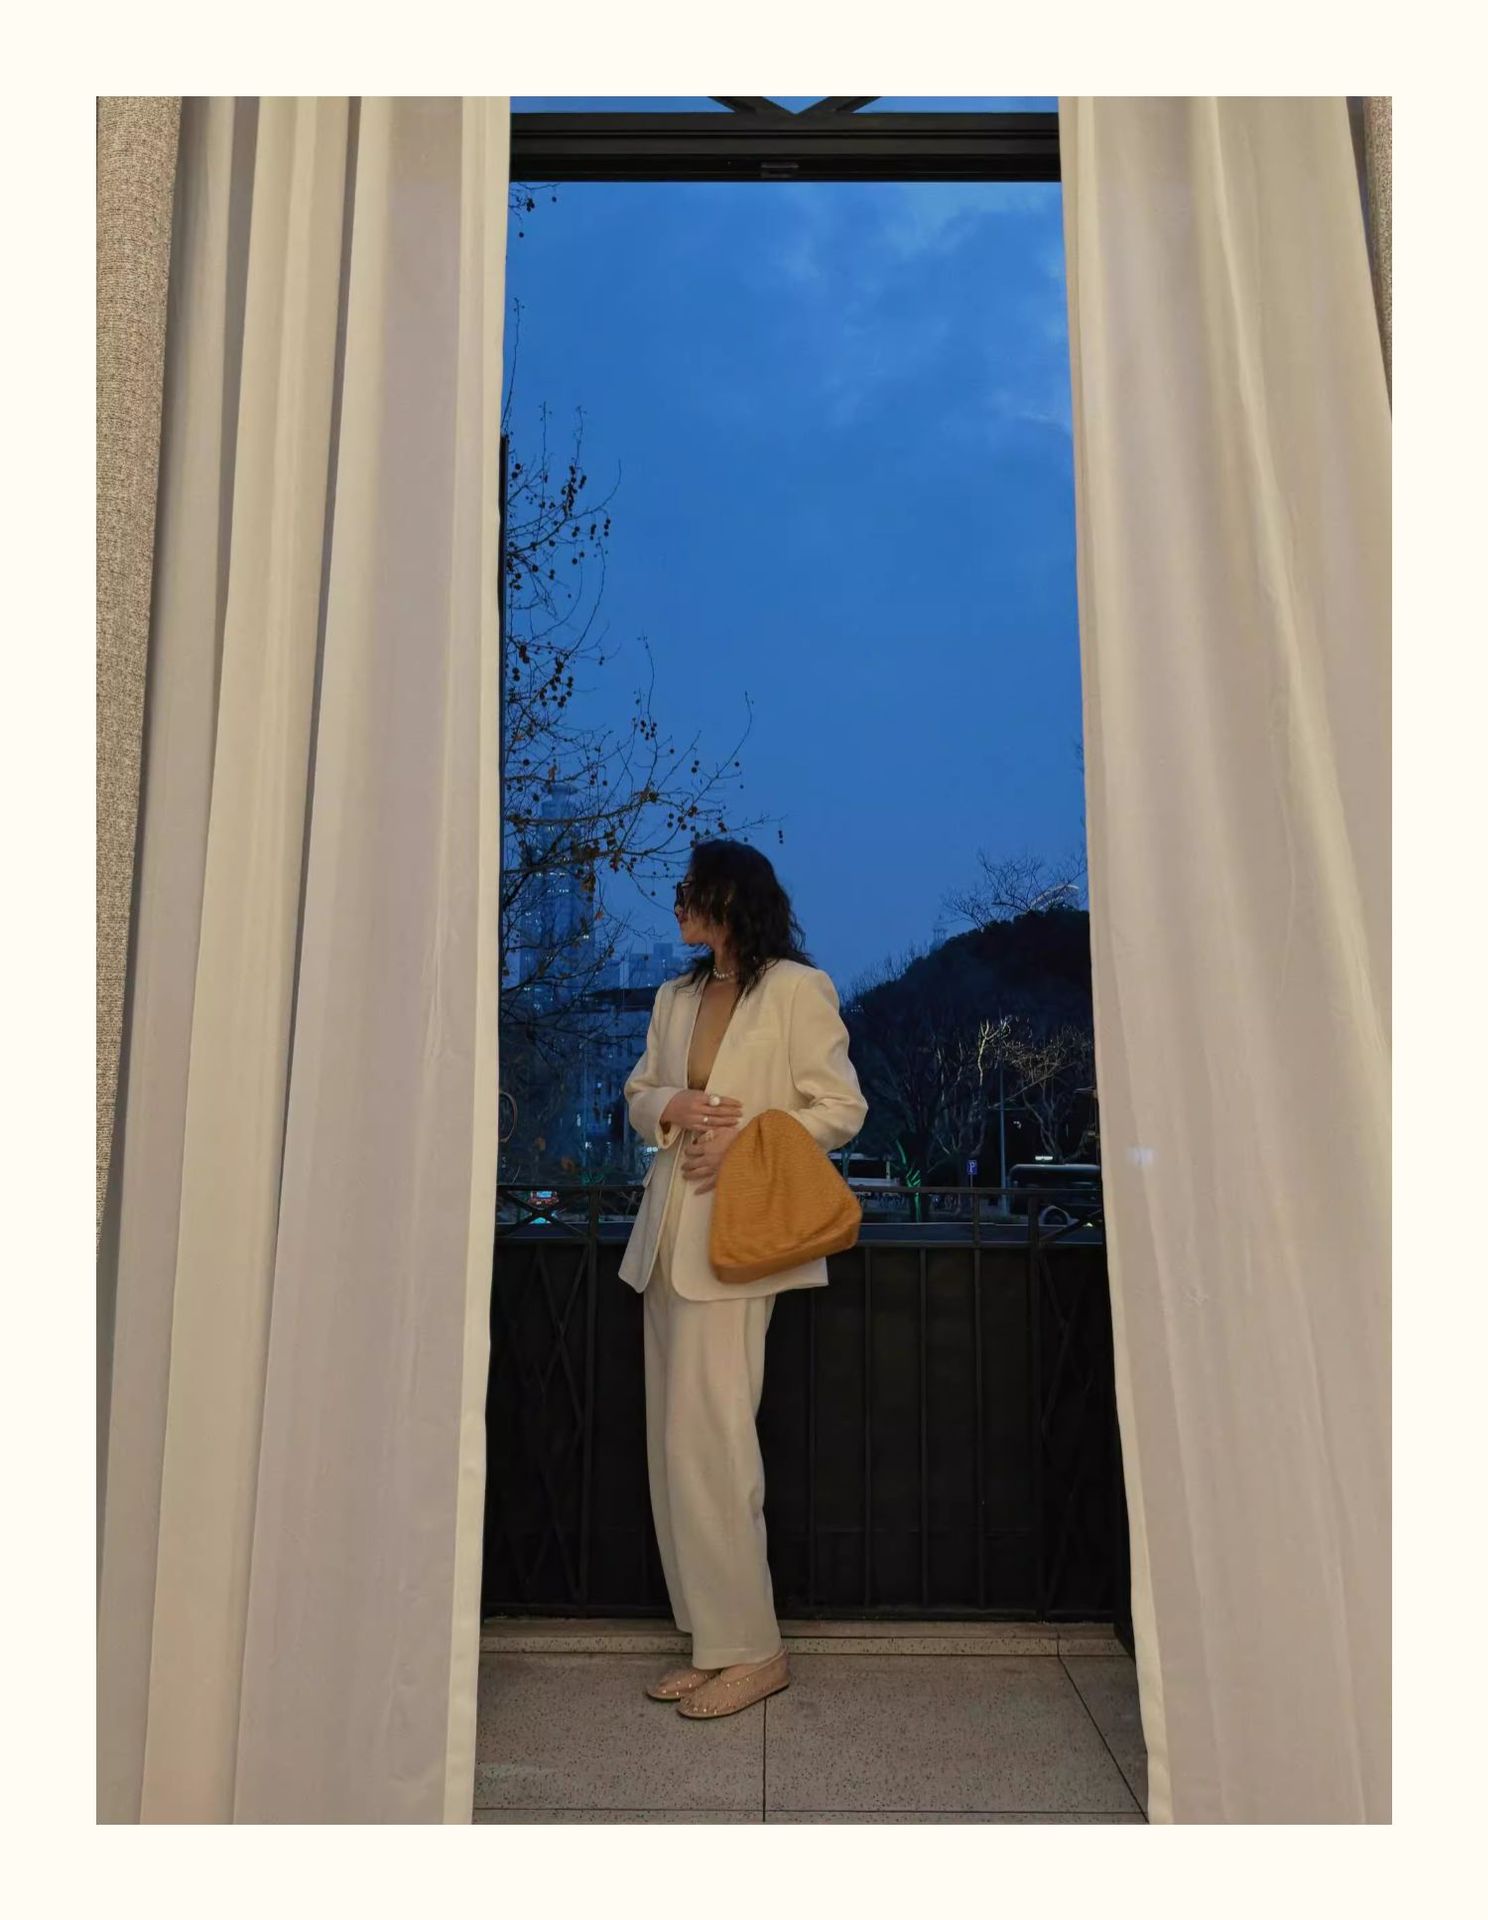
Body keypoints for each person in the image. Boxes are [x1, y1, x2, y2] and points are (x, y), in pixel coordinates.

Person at [619, 840, 869, 1720]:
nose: (677, 904)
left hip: (738, 1243)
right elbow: (640, 1092)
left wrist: (746, 1136)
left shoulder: (798, 990)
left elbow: (840, 1108)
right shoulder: (675, 996)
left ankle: (756, 1651)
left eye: (689, 891)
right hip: (665, 1244)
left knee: (717, 1449)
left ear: (730, 898)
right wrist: (670, 1107)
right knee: (674, 1452)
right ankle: (712, 1642)